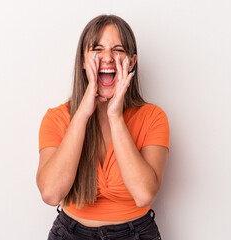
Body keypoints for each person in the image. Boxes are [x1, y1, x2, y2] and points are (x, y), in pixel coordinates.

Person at [37, 14, 169, 240]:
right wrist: (82, 114)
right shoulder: (57, 117)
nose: (107, 57)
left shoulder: (153, 117)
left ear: (132, 61)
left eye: (118, 49)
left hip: (136, 233)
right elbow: (50, 194)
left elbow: (144, 195)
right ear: (82, 60)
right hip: (70, 233)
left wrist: (115, 116)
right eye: (97, 49)